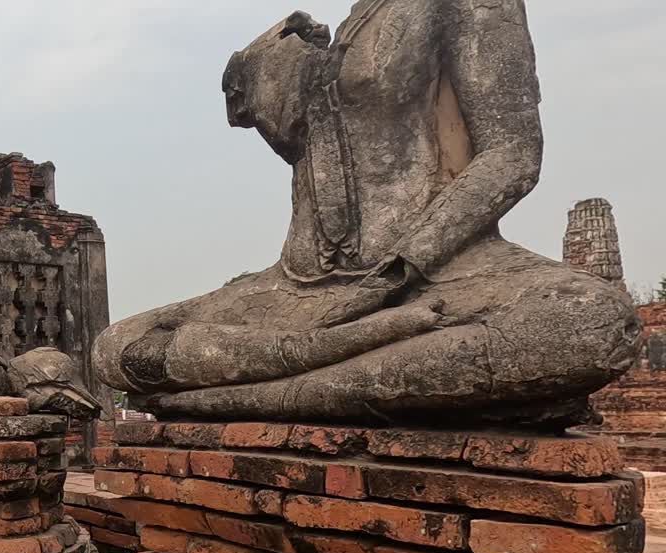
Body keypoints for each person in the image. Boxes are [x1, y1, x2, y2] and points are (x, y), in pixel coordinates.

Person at [93, 1, 639, 428]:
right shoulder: (285, 43)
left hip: (428, 276)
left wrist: (396, 273)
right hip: (295, 286)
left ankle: (249, 396)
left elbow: (513, 154)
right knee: (118, 347)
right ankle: (314, 358)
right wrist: (273, 60)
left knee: (593, 320)